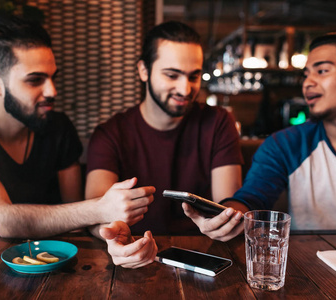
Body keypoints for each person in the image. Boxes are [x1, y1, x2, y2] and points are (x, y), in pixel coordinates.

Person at [0, 16, 155, 240]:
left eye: (53, 78)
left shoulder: (58, 128)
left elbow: (76, 222)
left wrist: (113, 237)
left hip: (42, 264)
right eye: (35, 80)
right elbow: (0, 219)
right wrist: (101, 208)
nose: (52, 91)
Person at [85, 21, 247, 267]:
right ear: (143, 70)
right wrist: (112, 234)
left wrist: (223, 222)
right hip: (136, 253)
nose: (185, 88)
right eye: (172, 75)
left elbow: (228, 202)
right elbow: (96, 212)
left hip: (204, 255)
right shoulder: (110, 133)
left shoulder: (218, 122)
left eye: (194, 76)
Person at [229, 33, 336, 230]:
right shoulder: (285, 144)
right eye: (306, 75)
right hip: (305, 260)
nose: (307, 83)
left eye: (321, 71)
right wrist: (225, 216)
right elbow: (252, 200)